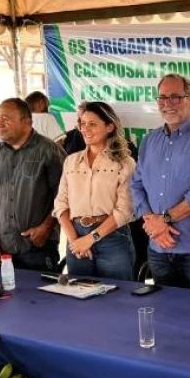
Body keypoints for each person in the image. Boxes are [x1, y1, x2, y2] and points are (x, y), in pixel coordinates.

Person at [131, 73, 190, 291]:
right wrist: (152, 223)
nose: (168, 104)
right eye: (162, 98)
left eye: (175, 97)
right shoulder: (149, 140)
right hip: (157, 246)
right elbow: (137, 185)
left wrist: (163, 220)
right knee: (164, 313)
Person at [53, 102, 136, 280]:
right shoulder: (71, 161)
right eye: (82, 123)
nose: (85, 129)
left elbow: (124, 210)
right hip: (75, 237)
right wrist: (75, 241)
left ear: (110, 127)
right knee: (81, 302)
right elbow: (61, 204)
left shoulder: (125, 162)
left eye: (92, 124)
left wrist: (90, 239)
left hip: (112, 238)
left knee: (117, 299)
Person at [0, 98, 65, 271]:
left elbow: (65, 195)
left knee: (43, 296)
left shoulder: (50, 151)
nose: (1, 123)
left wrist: (46, 227)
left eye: (7, 119)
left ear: (27, 121)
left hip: (38, 246)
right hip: (3, 246)